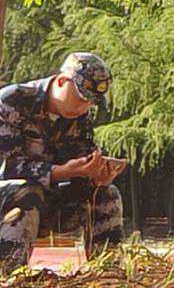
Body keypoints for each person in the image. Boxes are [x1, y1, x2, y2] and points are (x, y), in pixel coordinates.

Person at [0, 52, 123, 271]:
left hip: (46, 204)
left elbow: (82, 160)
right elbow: (8, 169)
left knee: (107, 194)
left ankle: (109, 275)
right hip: (9, 201)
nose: (84, 106)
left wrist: (98, 174)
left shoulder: (80, 118)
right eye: (81, 97)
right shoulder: (11, 101)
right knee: (27, 192)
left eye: (90, 102)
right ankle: (9, 273)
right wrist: (61, 172)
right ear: (60, 82)